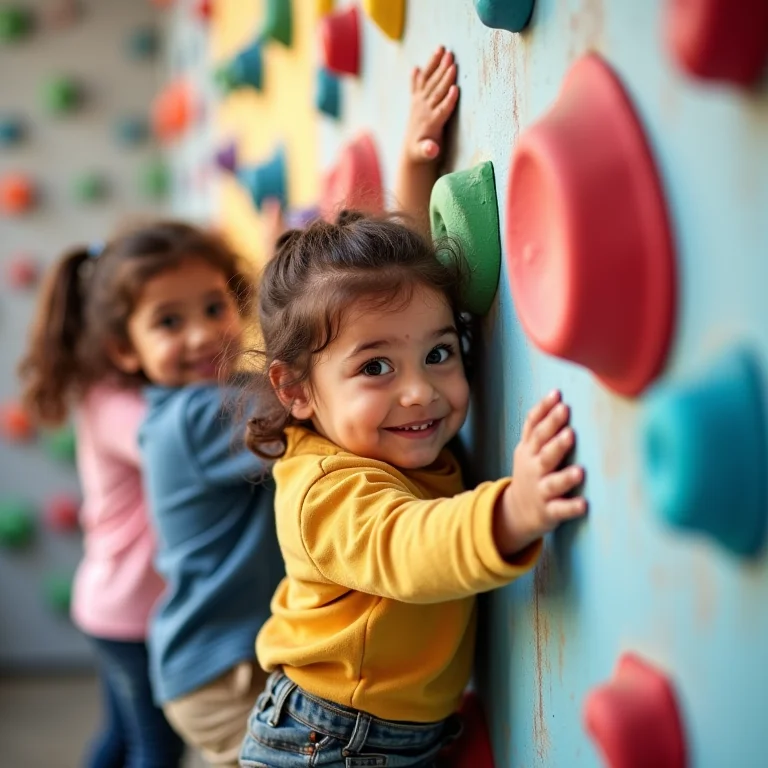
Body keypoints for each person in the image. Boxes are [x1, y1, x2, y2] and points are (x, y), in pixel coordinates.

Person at [236, 56, 588, 768]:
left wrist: (415, 164)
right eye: (375, 369)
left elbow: (415, 291)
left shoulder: (378, 423)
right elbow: (408, 545)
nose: (420, 392)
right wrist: (513, 510)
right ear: (296, 390)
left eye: (438, 354)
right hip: (326, 742)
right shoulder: (326, 493)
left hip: (380, 736)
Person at [99, 222, 284, 768]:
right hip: (223, 673)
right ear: (125, 349)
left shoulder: (216, 397)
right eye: (168, 322)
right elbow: (317, 396)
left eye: (213, 306)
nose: (202, 335)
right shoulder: (197, 418)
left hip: (219, 662)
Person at [19, 235, 186, 768]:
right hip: (127, 612)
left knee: (122, 737)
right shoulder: (113, 401)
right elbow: (181, 446)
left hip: (121, 604)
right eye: (166, 320)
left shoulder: (123, 393)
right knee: (155, 746)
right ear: (119, 336)